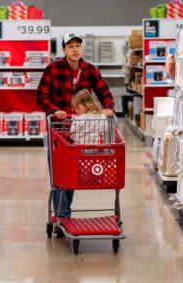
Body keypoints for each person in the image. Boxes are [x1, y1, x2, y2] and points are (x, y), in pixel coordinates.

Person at [36, 32, 115, 237]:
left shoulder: (90, 70)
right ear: (63, 50)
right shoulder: (53, 69)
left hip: (81, 130)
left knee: (73, 175)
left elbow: (104, 92)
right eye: (70, 46)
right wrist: (54, 111)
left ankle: (63, 216)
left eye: (78, 45)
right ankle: (62, 217)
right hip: (59, 131)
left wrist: (109, 108)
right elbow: (41, 96)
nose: (75, 49)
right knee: (59, 176)